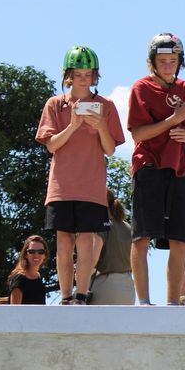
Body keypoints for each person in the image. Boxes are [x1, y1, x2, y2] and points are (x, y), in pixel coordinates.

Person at [35, 46, 125, 304]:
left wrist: (100, 127)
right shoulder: (55, 104)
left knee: (86, 241)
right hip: (61, 187)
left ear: (95, 76)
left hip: (92, 187)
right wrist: (73, 126)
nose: (84, 79)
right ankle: (65, 297)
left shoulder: (106, 106)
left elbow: (110, 149)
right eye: (79, 74)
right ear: (68, 76)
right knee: (64, 243)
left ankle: (81, 295)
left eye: (89, 74)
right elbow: (51, 145)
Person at [127, 33, 185, 305]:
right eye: (163, 60)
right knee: (142, 237)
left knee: (178, 240)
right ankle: (145, 301)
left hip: (179, 168)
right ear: (153, 62)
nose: (168, 65)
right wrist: (173, 120)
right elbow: (138, 133)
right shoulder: (141, 88)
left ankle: (173, 302)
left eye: (173, 60)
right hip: (148, 166)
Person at [89, 190, 135, 305]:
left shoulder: (101, 225)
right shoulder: (129, 227)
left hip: (105, 287)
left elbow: (91, 260)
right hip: (129, 289)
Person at [7, 235, 49, 305]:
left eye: (41, 252)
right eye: (32, 251)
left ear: (45, 255)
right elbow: (14, 311)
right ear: (25, 255)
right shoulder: (19, 279)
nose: (36, 255)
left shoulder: (38, 277)